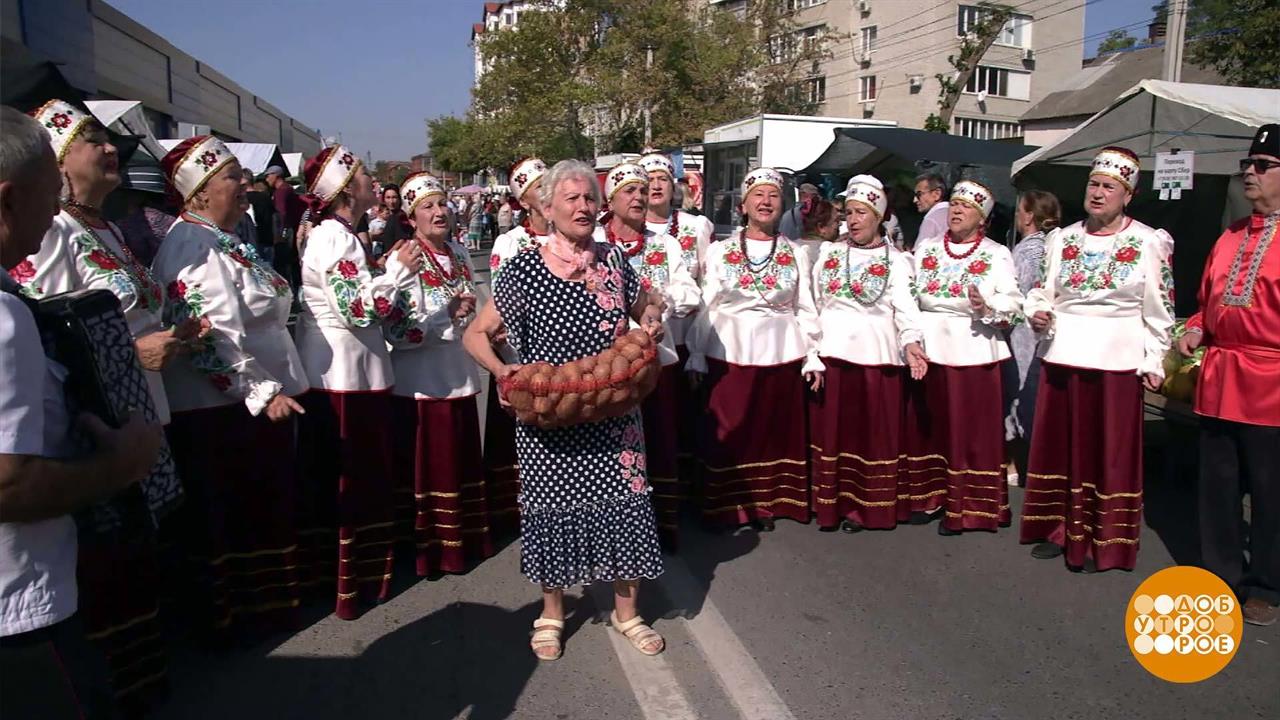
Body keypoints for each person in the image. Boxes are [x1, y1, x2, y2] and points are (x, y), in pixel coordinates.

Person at [15, 100, 197, 704]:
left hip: (142, 403)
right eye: (93, 139)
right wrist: (132, 351)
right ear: (61, 162)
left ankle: (143, 673)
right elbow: (44, 331)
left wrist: (173, 334)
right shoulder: (52, 231)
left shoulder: (108, 228)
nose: (109, 147)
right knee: (106, 560)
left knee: (137, 554)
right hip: (97, 423)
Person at [463, 159, 667, 661]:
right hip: (551, 417)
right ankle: (552, 613)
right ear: (547, 208)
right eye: (571, 198)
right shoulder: (523, 270)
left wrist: (652, 320)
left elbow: (647, 303)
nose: (582, 206)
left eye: (589, 198)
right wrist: (505, 374)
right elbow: (476, 335)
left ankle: (627, 614)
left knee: (626, 506)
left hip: (615, 414)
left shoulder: (616, 261)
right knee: (552, 511)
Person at [152, 136, 310, 637]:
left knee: (253, 510)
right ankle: (236, 619)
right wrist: (261, 392)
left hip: (238, 404)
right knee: (235, 514)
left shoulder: (221, 238)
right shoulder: (192, 245)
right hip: (223, 409)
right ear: (198, 193)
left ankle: (259, 609)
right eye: (232, 178)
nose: (246, 186)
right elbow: (210, 336)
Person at [1020, 147, 1174, 573]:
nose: (1099, 193)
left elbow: (1159, 306)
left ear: (1128, 194)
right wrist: (1037, 309)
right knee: (1062, 446)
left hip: (1116, 360)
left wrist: (1155, 358)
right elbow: (1041, 291)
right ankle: (1058, 529)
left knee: (1107, 453)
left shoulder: (1147, 241)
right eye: (1094, 184)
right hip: (1065, 354)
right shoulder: (1061, 239)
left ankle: (1101, 538)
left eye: (1110, 187)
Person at [293, 145, 422, 620]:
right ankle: (348, 580)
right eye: (365, 175)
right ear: (347, 190)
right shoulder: (333, 238)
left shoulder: (343, 236)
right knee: (352, 477)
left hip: (356, 375)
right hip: (342, 379)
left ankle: (359, 575)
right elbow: (358, 311)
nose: (373, 182)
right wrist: (395, 273)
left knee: (361, 477)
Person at [1180, 124, 1280, 624]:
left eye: (1262, 166)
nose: (1249, 174)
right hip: (1221, 376)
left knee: (1270, 489)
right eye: (1247, 165)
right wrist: (1197, 328)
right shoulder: (1228, 237)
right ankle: (1221, 576)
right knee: (1217, 484)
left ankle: (1265, 583)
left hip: (1272, 382)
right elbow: (1205, 303)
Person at [686, 167, 820, 531]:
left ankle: (766, 505)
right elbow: (707, 304)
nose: (766, 202)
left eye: (773, 196)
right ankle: (726, 507)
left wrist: (812, 354)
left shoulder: (796, 252)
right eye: (758, 196)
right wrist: (696, 353)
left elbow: (804, 305)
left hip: (782, 351)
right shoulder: (721, 250)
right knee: (730, 431)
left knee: (770, 431)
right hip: (729, 352)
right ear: (743, 205)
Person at [382, 172, 490, 575]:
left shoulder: (460, 253)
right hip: (421, 384)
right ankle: (432, 551)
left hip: (459, 376)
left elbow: (472, 312)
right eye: (427, 206)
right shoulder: (403, 257)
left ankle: (465, 540)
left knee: (459, 464)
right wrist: (442, 315)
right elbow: (395, 329)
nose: (439, 211)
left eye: (442, 203)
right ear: (411, 217)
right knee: (428, 470)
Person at [904, 180, 1023, 535]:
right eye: (954, 204)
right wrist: (910, 338)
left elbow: (1012, 304)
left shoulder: (995, 253)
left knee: (969, 430)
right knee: (929, 426)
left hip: (972, 349)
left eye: (966, 207)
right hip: (929, 347)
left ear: (982, 218)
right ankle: (929, 497)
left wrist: (985, 306)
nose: (956, 211)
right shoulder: (925, 250)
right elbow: (909, 297)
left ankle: (969, 507)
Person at [809, 176, 927, 532]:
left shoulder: (898, 261)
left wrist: (911, 342)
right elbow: (813, 304)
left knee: (868, 436)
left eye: (862, 212)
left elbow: (906, 309)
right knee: (834, 434)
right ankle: (830, 504)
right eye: (849, 213)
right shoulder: (829, 254)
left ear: (879, 216)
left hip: (876, 360)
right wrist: (811, 352)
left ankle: (865, 507)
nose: (854, 220)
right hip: (833, 354)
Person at [595, 162, 700, 549]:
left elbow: (690, 293)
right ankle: (610, 531)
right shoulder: (592, 243)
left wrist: (662, 300)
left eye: (643, 191)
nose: (639, 197)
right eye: (630, 191)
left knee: (656, 441)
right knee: (607, 449)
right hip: (606, 364)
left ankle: (655, 530)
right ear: (611, 199)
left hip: (657, 360)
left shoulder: (665, 243)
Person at [485, 157, 552, 536]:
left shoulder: (574, 238)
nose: (546, 196)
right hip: (525, 357)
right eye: (537, 190)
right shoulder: (511, 243)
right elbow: (503, 306)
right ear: (524, 202)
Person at [639, 151, 714, 482]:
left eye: (663, 180)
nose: (656, 186)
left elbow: (708, 282)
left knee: (684, 414)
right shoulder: (626, 229)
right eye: (649, 180)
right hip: (643, 341)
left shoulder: (694, 226)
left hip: (686, 337)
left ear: (674, 186)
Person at [1005, 190, 1060, 486]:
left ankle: (1017, 465)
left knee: (1019, 393)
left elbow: (1018, 293)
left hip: (1023, 332)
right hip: (1042, 332)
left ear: (1028, 216)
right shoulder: (1053, 247)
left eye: (1020, 211)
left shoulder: (1028, 252)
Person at [265, 164, 305, 289]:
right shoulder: (287, 189)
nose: (267, 180)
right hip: (291, 228)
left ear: (275, 175)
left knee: (284, 262)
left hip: (285, 230)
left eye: (268, 176)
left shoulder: (281, 191)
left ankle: (291, 291)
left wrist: (280, 232)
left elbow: (281, 212)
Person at [797, 195, 839, 266]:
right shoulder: (830, 254)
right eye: (836, 221)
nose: (840, 224)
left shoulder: (789, 246)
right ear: (821, 227)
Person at [913, 172, 950, 245]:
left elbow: (920, 252)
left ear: (937, 194)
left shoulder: (931, 219)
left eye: (919, 194)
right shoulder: (954, 214)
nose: (915, 200)